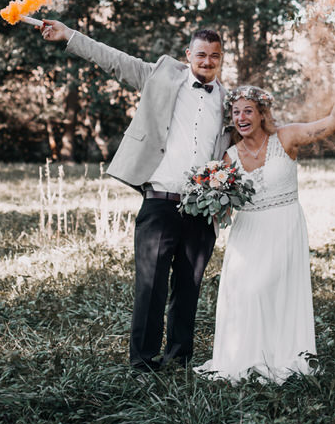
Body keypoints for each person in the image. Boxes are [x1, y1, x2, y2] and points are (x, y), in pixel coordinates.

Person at [37, 19, 230, 372]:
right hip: (159, 200)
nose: (207, 61)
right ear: (188, 55)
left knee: (189, 287)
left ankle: (179, 358)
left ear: (221, 60)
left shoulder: (228, 102)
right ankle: (142, 361)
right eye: (201, 54)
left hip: (202, 208)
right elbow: (112, 59)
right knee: (150, 285)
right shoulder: (160, 75)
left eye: (214, 56)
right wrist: (69, 35)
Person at [195, 50, 335, 384]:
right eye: (236, 111)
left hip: (284, 226)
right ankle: (244, 359)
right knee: (245, 292)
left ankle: (281, 356)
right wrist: (211, 199)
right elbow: (223, 205)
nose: (241, 117)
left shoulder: (287, 138)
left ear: (261, 114)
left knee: (269, 290)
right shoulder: (229, 156)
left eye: (248, 111)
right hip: (248, 232)